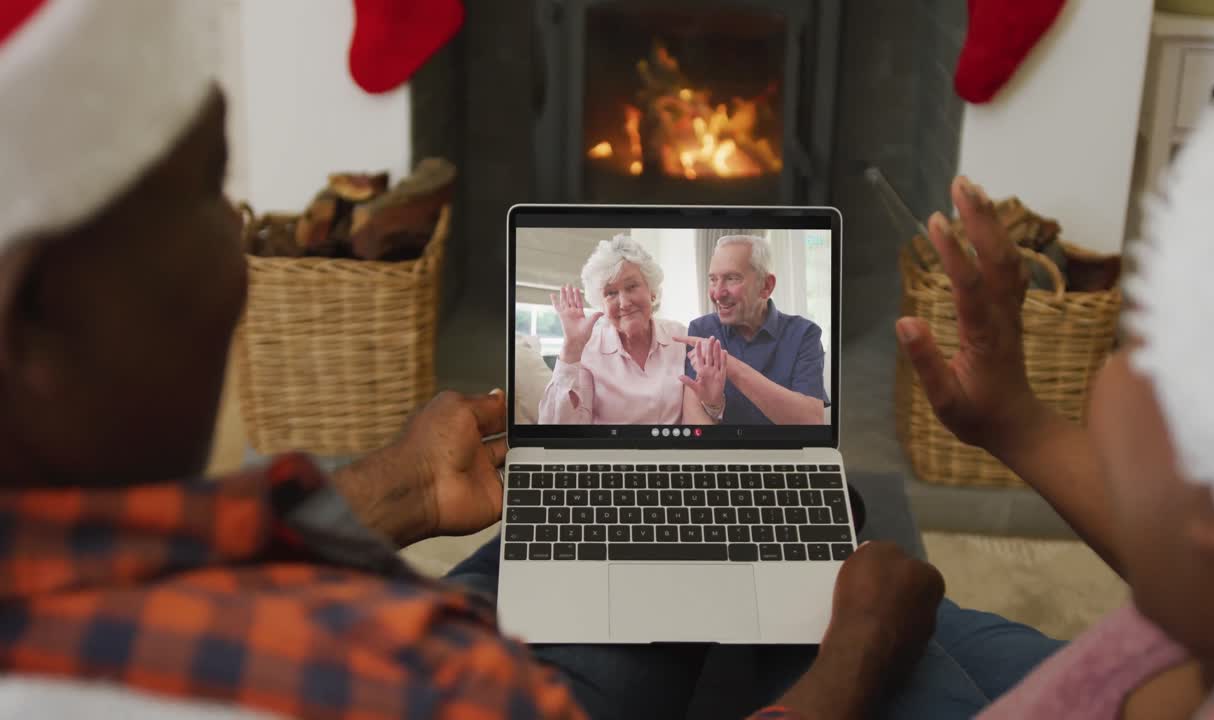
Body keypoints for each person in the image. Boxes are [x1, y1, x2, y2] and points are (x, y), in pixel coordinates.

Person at [0, 2, 949, 718]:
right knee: (890, 612)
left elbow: (166, 547)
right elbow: (573, 429)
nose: (245, 264)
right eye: (213, 190)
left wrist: (405, 489)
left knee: (557, 556)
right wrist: (853, 661)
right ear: (37, 309)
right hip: (540, 630)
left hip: (606, 504)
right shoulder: (426, 677)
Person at [893, 84, 1214, 717]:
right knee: (927, 616)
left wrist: (846, 658)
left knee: (822, 636)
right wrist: (1019, 424)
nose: (1120, 364)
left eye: (1143, 339)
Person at [538, 234, 693, 424]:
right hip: (611, 453)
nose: (624, 303)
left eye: (632, 287)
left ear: (651, 291)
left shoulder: (682, 338)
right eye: (611, 293)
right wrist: (571, 348)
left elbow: (703, 410)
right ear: (601, 304)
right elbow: (556, 430)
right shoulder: (588, 350)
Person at [678, 235, 828, 425]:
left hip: (783, 454)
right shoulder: (701, 329)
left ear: (766, 286)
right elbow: (695, 423)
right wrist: (713, 406)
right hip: (722, 454)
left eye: (732, 279)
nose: (717, 294)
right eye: (713, 280)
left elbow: (811, 422)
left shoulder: (804, 334)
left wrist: (731, 367)